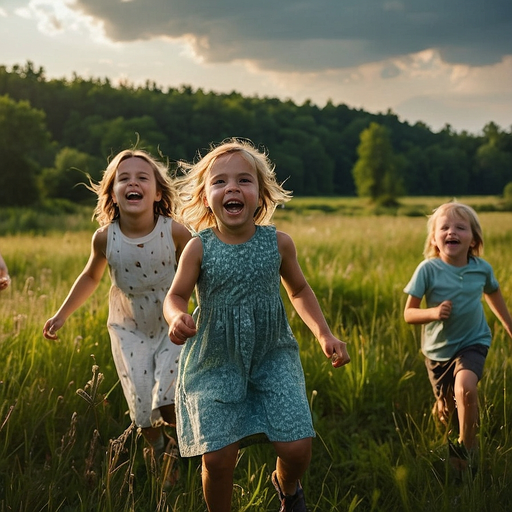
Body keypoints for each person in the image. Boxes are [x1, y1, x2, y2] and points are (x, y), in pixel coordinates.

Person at [163, 138, 350, 512]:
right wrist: (176, 317)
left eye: (244, 180)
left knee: (297, 447)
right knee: (217, 459)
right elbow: (175, 296)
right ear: (205, 197)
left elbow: (298, 290)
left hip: (271, 355)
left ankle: (288, 486)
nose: (232, 188)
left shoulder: (278, 243)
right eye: (220, 182)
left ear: (261, 196)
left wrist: (324, 333)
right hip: (215, 359)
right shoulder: (198, 248)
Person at [43, 149, 191, 486]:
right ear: (112, 192)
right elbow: (91, 278)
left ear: (157, 193)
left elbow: (200, 268)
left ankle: (178, 446)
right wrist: (61, 314)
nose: (133, 183)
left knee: (167, 400)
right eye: (124, 178)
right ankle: (157, 448)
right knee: (142, 409)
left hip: (172, 326)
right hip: (130, 329)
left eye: (142, 178)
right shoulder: (105, 238)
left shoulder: (175, 232)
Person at [403, 201, 512, 471]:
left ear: (473, 239)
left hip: (473, 341)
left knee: (465, 388)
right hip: (438, 351)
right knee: (447, 410)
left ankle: (466, 448)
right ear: (434, 238)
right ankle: (443, 411)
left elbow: (493, 293)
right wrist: (433, 313)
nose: (452, 232)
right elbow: (409, 314)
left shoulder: (481, 269)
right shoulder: (427, 270)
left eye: (461, 227)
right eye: (445, 227)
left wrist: (510, 326)